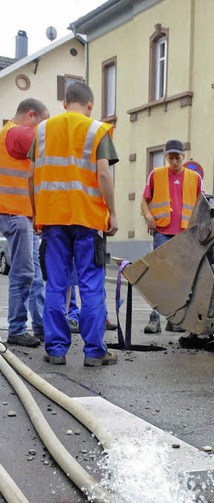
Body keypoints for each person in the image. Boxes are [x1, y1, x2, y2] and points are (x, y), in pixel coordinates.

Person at [29, 81, 118, 366]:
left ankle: (56, 350)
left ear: (64, 103)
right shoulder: (96, 129)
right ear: (90, 105)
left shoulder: (42, 131)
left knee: (56, 283)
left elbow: (31, 176)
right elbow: (103, 174)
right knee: (91, 285)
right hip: (88, 219)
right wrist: (112, 213)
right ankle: (94, 352)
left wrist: (35, 213)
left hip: (52, 219)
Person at [140, 139, 204, 333]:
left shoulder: (195, 178)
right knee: (159, 274)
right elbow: (144, 201)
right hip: (162, 232)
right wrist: (149, 217)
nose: (174, 161)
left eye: (178, 157)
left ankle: (174, 320)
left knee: (178, 278)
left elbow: (202, 205)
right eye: (171, 157)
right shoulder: (156, 175)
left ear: (183, 157)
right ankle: (154, 319)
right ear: (166, 157)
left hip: (184, 234)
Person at [0, 98, 49, 347]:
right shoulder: (16, 132)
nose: (44, 128)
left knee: (35, 274)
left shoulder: (9, 133)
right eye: (43, 123)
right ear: (30, 115)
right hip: (14, 212)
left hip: (22, 214)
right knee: (23, 273)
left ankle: (40, 326)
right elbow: (46, 144)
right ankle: (17, 329)